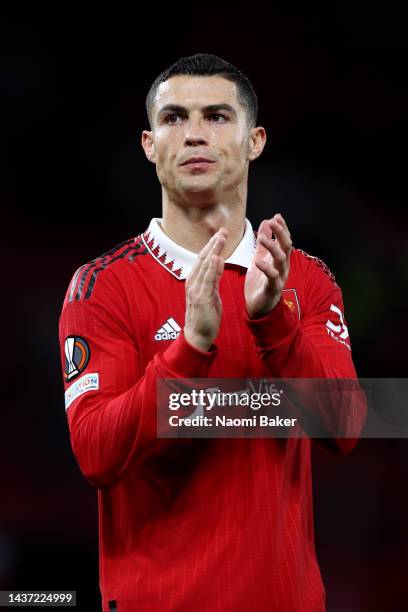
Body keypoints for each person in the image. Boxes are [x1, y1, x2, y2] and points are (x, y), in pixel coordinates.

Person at [59, 53, 366, 612]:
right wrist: (190, 348)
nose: (195, 134)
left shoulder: (305, 279)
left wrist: (274, 323)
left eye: (218, 116)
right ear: (150, 145)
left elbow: (344, 427)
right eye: (174, 117)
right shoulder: (101, 286)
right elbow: (96, 455)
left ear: (256, 140)